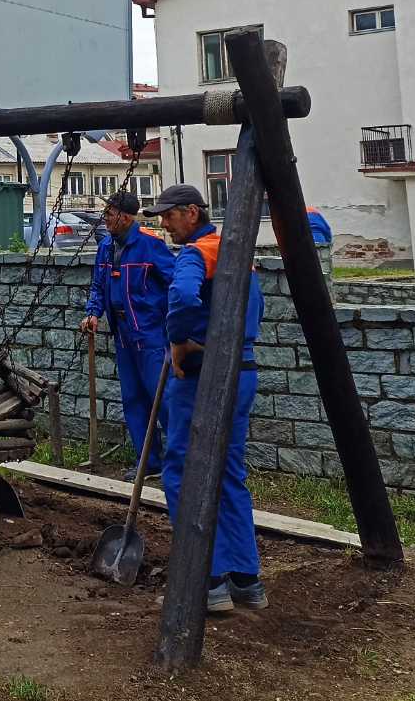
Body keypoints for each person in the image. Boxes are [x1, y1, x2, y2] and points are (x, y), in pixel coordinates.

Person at [143, 183, 266, 614]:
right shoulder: (237, 254)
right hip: (242, 372)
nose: (163, 223)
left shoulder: (198, 253)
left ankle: (206, 580)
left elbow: (180, 296)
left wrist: (183, 340)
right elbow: (255, 311)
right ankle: (246, 581)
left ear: (191, 213)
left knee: (181, 470)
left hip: (200, 378)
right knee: (230, 472)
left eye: (169, 215)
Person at [79, 190, 177, 480]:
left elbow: (175, 286)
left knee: (164, 400)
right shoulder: (106, 247)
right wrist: (93, 313)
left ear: (125, 216)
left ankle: (182, 463)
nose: (105, 219)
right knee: (134, 399)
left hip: (150, 336)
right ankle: (148, 462)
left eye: (109, 214)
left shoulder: (151, 247)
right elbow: (99, 285)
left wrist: (171, 325)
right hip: (122, 334)